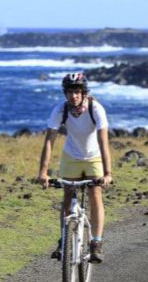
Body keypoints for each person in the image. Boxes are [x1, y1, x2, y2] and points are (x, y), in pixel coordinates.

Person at [37, 73, 113, 263]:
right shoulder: (60, 110)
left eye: (77, 91)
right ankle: (64, 238)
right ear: (65, 93)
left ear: (84, 92)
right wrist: (43, 172)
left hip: (94, 157)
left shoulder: (96, 109)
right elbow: (49, 141)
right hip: (71, 156)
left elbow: (103, 141)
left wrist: (108, 173)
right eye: (70, 92)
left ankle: (96, 242)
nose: (74, 96)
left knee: (95, 194)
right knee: (68, 195)